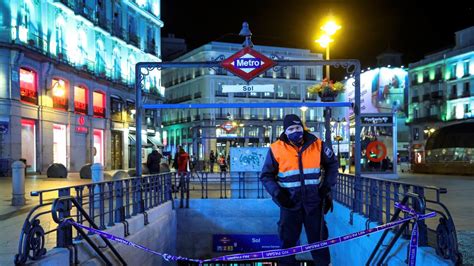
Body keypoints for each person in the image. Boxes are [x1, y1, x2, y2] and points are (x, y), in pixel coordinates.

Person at [260, 114, 339, 266]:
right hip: (290, 204)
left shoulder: (318, 145)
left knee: (319, 243)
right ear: (285, 131)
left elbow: (332, 165)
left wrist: (325, 187)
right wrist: (278, 194)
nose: (295, 131)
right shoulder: (276, 149)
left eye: (298, 127)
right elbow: (266, 176)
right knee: (287, 244)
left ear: (302, 128)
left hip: (314, 203)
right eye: (291, 129)